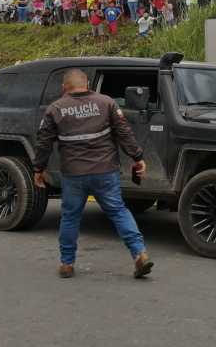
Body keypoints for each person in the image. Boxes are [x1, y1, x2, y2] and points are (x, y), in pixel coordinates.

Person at [32, 69, 153, 279]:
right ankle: (139, 253)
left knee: (70, 217)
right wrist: (138, 157)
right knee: (118, 211)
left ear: (64, 88)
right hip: (105, 171)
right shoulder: (106, 103)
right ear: (87, 84)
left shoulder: (56, 108)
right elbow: (124, 132)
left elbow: (44, 143)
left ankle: (67, 263)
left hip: (74, 174)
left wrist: (38, 169)